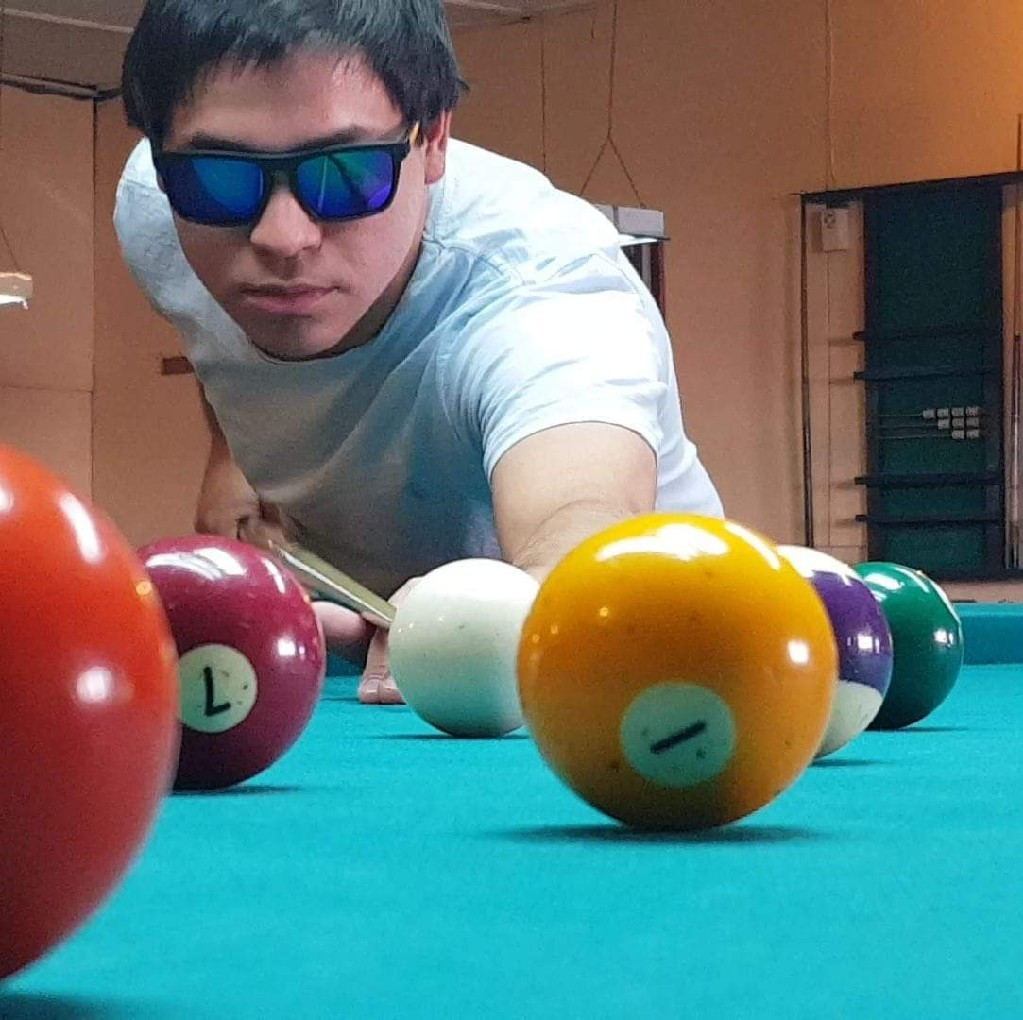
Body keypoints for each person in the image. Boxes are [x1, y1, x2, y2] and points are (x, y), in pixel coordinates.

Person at [114, 0, 723, 705]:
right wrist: (228, 456)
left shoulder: (542, 287)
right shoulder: (156, 208)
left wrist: (479, 620)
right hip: (367, 657)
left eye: (343, 173)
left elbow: (578, 529)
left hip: (643, 670)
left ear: (432, 140)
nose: (282, 238)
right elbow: (204, 322)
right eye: (218, 177)